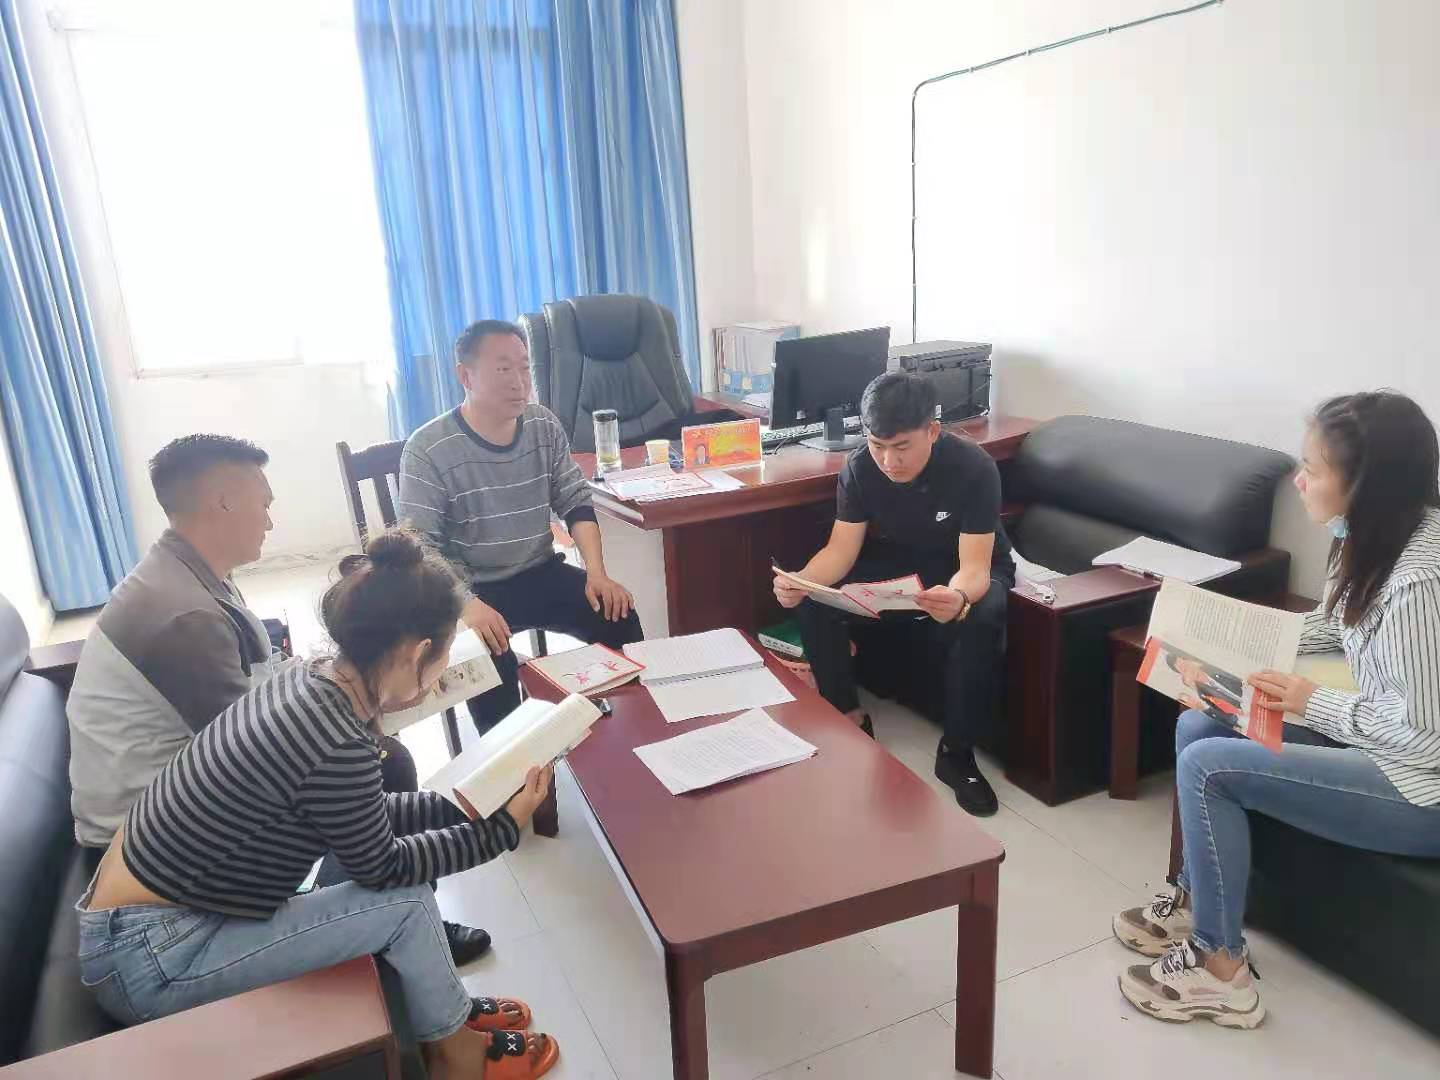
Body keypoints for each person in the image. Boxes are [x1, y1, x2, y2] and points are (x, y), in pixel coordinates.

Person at [77, 531, 560, 1080]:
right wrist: (502, 830)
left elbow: (363, 813)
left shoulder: (310, 681)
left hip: (143, 926)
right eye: (446, 651)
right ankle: (456, 1058)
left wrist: (460, 804)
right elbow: (384, 867)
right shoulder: (336, 739)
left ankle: (444, 1012)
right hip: (154, 957)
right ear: (418, 652)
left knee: (400, 888)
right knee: (405, 905)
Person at [65, 434, 489, 965]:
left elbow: (263, 689)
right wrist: (372, 703)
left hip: (164, 815)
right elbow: (263, 744)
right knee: (382, 763)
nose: (270, 520)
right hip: (152, 846)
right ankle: (369, 932)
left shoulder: (187, 576)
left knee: (373, 757)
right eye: (264, 503)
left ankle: (390, 923)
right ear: (224, 501)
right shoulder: (183, 617)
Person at [1113, 391, 1440, 1028]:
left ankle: (1220, 972)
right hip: (1384, 742)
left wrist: (1315, 704)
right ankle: (1196, 899)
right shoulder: (1372, 536)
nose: (1299, 481)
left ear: (1365, 484)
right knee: (1199, 720)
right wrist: (1243, 636)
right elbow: (1338, 627)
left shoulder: (1420, 583)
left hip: (1420, 784)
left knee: (1208, 767)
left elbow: (1425, 737)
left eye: (1312, 469)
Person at [773, 372, 1015, 816]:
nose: (889, 460)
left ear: (933, 431)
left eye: (902, 447)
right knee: (815, 598)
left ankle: (956, 754)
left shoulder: (972, 467)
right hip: (905, 558)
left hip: (968, 567)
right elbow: (840, 551)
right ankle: (848, 717)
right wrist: (800, 581)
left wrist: (958, 598)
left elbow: (975, 567)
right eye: (877, 445)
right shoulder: (859, 467)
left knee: (982, 616)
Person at [398, 319, 642, 734]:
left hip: (539, 571)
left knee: (618, 614)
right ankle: (514, 764)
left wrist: (597, 573)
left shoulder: (543, 425)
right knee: (488, 658)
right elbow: (420, 547)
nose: (519, 381)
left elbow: (575, 500)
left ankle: (632, 732)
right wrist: (464, 605)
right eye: (503, 368)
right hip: (474, 589)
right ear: (465, 376)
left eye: (525, 368)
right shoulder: (428, 448)